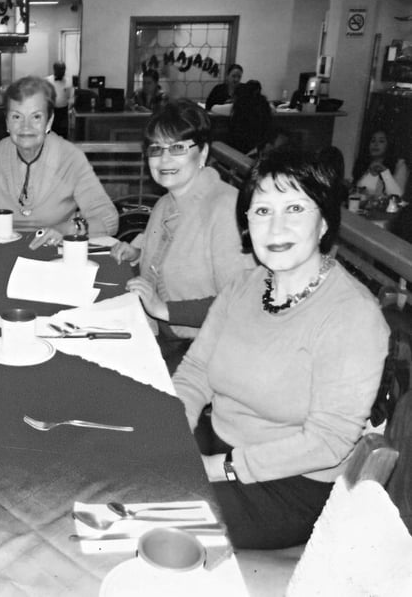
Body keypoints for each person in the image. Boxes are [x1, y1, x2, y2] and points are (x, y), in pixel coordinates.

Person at [173, 148, 389, 549]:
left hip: (288, 485)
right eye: (261, 211)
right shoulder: (244, 286)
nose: (275, 229)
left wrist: (219, 468)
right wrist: (171, 429)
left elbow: (327, 441)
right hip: (219, 445)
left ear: (324, 222)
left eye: (294, 208)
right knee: (119, 466)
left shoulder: (353, 315)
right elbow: (196, 373)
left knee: (146, 512)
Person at [110, 100, 254, 372]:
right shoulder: (167, 202)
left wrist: (163, 309)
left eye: (177, 148)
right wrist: (139, 252)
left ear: (202, 154)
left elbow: (240, 303)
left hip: (204, 348)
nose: (164, 159)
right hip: (164, 333)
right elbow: (176, 252)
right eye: (156, 149)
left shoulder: (225, 209)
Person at [0, 76, 118, 247]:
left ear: (49, 121)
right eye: (17, 117)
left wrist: (66, 229)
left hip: (54, 253)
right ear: (7, 122)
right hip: (1, 251)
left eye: (36, 117)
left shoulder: (71, 158)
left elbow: (108, 219)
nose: (25, 127)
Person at [352, 130, 408, 199]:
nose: (375, 144)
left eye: (381, 141)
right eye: (373, 141)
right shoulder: (362, 163)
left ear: (388, 145)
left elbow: (397, 196)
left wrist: (385, 172)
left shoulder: (399, 165)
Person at [227, 80, 272, 156]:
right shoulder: (264, 105)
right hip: (259, 145)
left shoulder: (240, 105)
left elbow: (213, 108)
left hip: (240, 145)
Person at [46, 62, 73, 138]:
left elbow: (70, 96)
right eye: (60, 69)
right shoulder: (48, 80)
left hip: (63, 110)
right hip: (52, 110)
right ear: (55, 69)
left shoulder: (68, 81)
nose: (62, 71)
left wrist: (71, 103)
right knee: (52, 132)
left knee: (64, 132)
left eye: (63, 69)